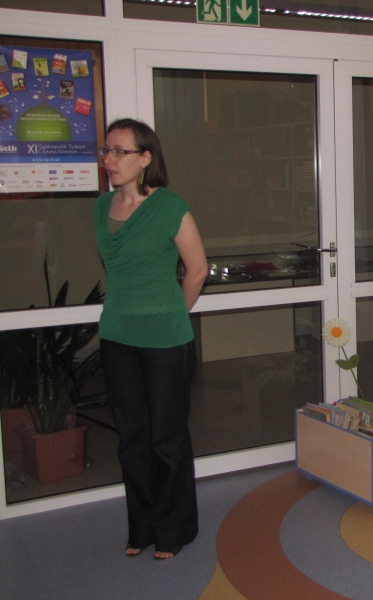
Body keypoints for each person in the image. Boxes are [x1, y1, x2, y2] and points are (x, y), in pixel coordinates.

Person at [94, 118, 208, 559]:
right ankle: (140, 527)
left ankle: (174, 529)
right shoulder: (100, 207)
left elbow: (197, 270)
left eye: (120, 151)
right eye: (106, 150)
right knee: (132, 438)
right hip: (117, 334)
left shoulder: (169, 206)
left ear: (145, 159)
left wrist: (171, 314)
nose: (110, 159)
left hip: (165, 339)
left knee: (167, 437)